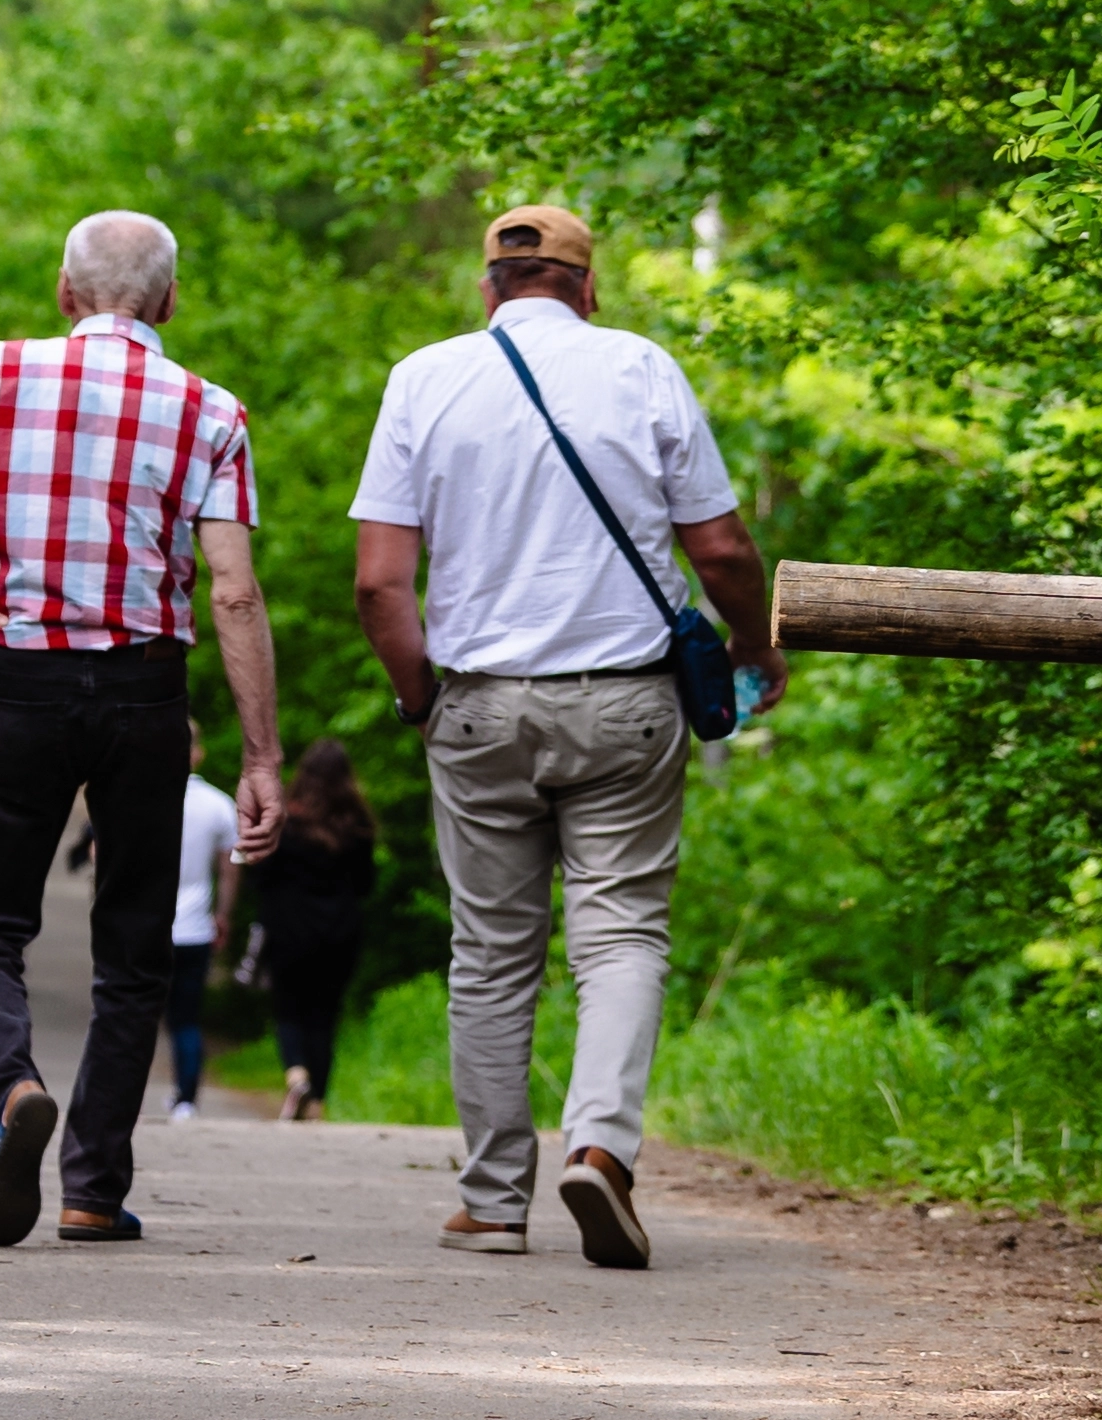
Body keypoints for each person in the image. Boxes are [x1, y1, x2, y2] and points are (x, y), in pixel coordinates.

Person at [0, 208, 288, 1248]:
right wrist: (261, 756)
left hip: (22, 678)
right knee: (133, 950)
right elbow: (233, 595)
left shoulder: (0, 373)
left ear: (64, 292)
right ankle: (90, 1187)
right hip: (145, 690)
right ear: (169, 302)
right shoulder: (212, 412)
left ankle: (12, 1089)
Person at [349, 200, 779, 1269]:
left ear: (486, 289)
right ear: (588, 288)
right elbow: (720, 550)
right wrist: (755, 645)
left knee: (492, 958)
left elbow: (379, 582)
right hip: (627, 701)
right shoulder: (641, 368)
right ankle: (600, 1150)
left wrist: (419, 699)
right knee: (621, 935)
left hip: (482, 703)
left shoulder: (424, 379)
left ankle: (495, 1202)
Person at [239, 740, 379, 1119]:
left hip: (288, 934)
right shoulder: (359, 827)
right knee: (324, 1017)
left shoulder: (287, 824)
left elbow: (261, 879)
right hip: (339, 937)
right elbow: (366, 885)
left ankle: (297, 1076)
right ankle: (316, 1101)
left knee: (288, 1009)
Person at [167, 724, 242, 1113]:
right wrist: (223, 915)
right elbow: (230, 869)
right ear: (199, 753)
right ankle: (186, 1097)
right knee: (187, 1016)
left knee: (136, 1012)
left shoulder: (141, 797)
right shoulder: (219, 805)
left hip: (149, 927)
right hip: (195, 928)